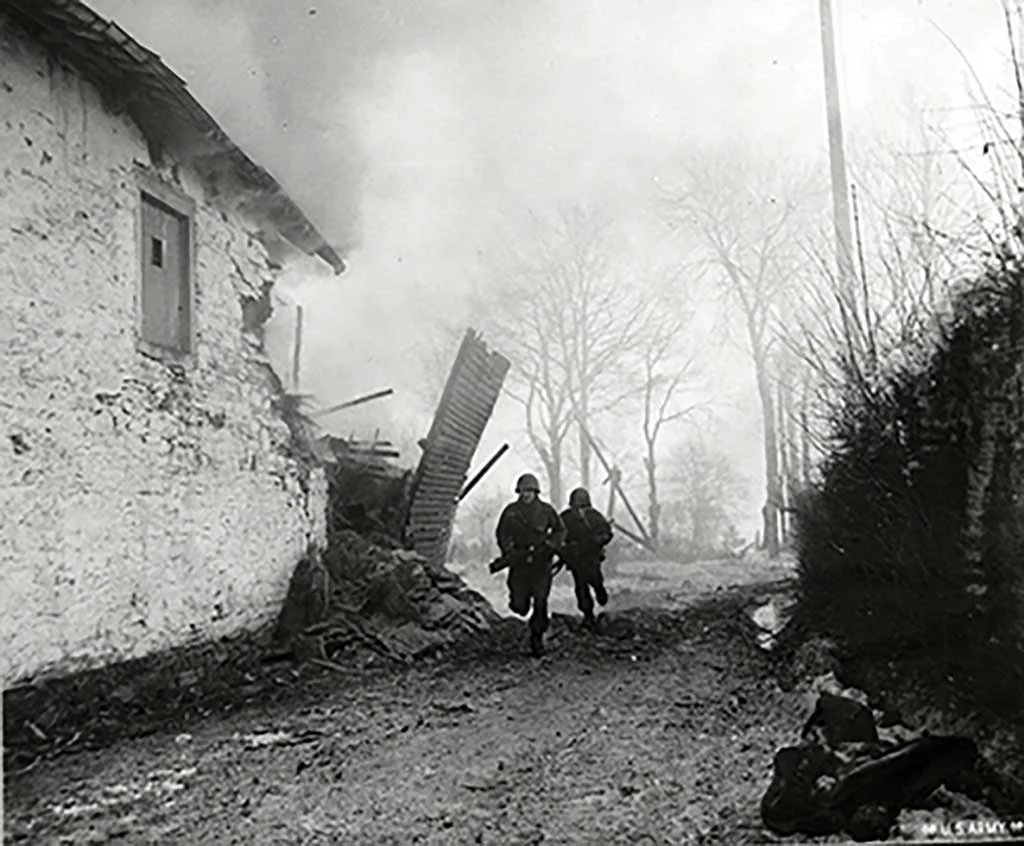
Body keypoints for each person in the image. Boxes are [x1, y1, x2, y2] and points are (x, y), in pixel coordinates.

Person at [492, 473, 566, 656]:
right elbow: (502, 533)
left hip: (541, 562)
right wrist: (508, 551)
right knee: (519, 604)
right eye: (524, 491)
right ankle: (519, 603)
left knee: (541, 601)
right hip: (520, 562)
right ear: (519, 492)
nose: (527, 494)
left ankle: (537, 638)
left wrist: (551, 545)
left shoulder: (546, 511)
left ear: (536, 492)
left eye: (530, 491)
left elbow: (560, 530)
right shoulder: (511, 512)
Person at [559, 487, 613, 631]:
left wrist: (598, 539)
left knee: (595, 580)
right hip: (576, 559)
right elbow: (558, 535)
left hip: (591, 557)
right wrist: (565, 549)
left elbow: (607, 533)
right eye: (576, 507)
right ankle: (588, 615)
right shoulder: (566, 518)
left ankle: (600, 592)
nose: (579, 511)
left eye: (583, 507)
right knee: (581, 588)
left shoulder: (594, 517)